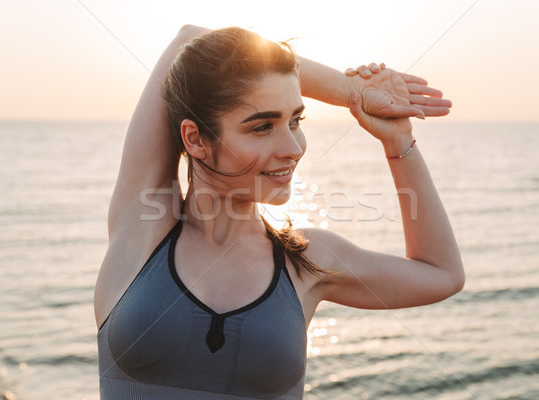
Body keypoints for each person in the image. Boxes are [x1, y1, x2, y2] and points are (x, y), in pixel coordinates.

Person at [94, 24, 464, 399]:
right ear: (195, 139)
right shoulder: (143, 230)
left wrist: (398, 141)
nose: (294, 147)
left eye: (295, 121)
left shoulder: (307, 262)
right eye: (262, 127)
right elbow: (187, 39)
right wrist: (349, 89)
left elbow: (441, 275)